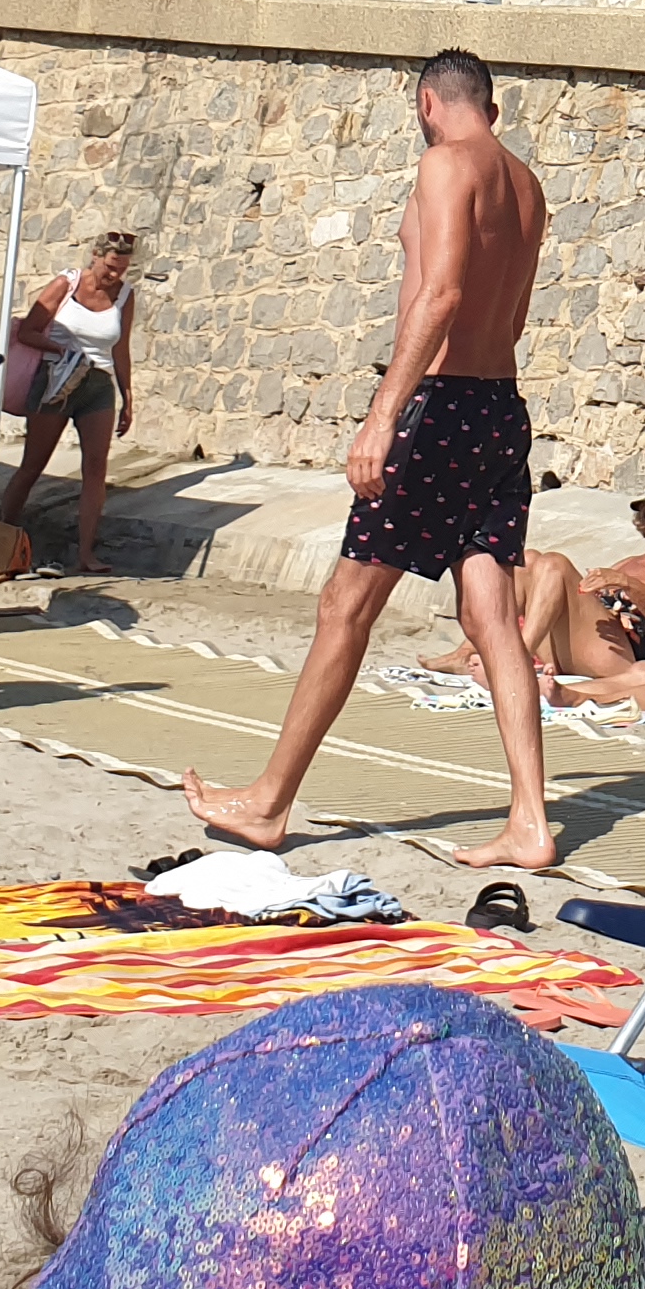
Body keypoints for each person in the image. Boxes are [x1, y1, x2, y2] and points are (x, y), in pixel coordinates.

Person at [183, 46, 556, 872]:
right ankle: (530, 821)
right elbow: (514, 317)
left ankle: (270, 802)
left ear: (427, 103)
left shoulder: (445, 164)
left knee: (345, 606)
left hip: (442, 407)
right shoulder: (527, 186)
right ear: (488, 106)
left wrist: (384, 416)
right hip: (500, 406)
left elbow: (441, 293)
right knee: (493, 616)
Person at [443, 488, 645, 682]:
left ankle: (515, 662)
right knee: (530, 560)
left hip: (619, 657)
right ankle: (468, 650)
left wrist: (626, 583)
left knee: (555, 564)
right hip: (583, 645)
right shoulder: (630, 562)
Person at [0, 231, 140, 574]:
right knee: (34, 464)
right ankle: (1, 541)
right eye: (110, 266)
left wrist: (127, 396)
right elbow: (28, 330)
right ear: (95, 256)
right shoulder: (67, 284)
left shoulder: (125, 296)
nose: (114, 275)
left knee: (96, 467)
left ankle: (86, 553)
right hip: (55, 378)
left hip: (97, 382)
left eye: (121, 269)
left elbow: (120, 348)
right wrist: (62, 350)